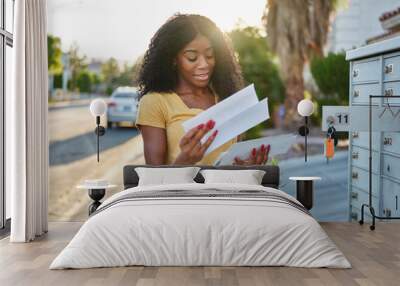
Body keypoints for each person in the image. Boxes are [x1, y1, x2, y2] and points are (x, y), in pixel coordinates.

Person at [136, 14, 270, 165]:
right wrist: (184, 161)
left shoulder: (226, 97)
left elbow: (229, 161)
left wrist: (246, 166)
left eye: (210, 55)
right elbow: (155, 180)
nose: (204, 64)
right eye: (192, 57)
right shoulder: (154, 102)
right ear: (173, 59)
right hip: (179, 189)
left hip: (226, 188)